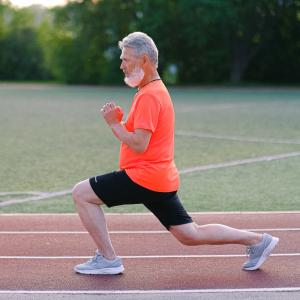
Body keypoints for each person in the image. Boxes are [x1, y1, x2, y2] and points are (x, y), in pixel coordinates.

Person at [72, 32, 279, 275]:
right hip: (158, 178)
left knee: (82, 193)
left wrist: (113, 124)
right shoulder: (152, 90)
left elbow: (139, 144)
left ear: (145, 61)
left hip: (144, 177)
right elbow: (143, 135)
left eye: (126, 59)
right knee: (190, 234)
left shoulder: (149, 95)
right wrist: (123, 123)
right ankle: (257, 240)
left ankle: (108, 259)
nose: (121, 65)